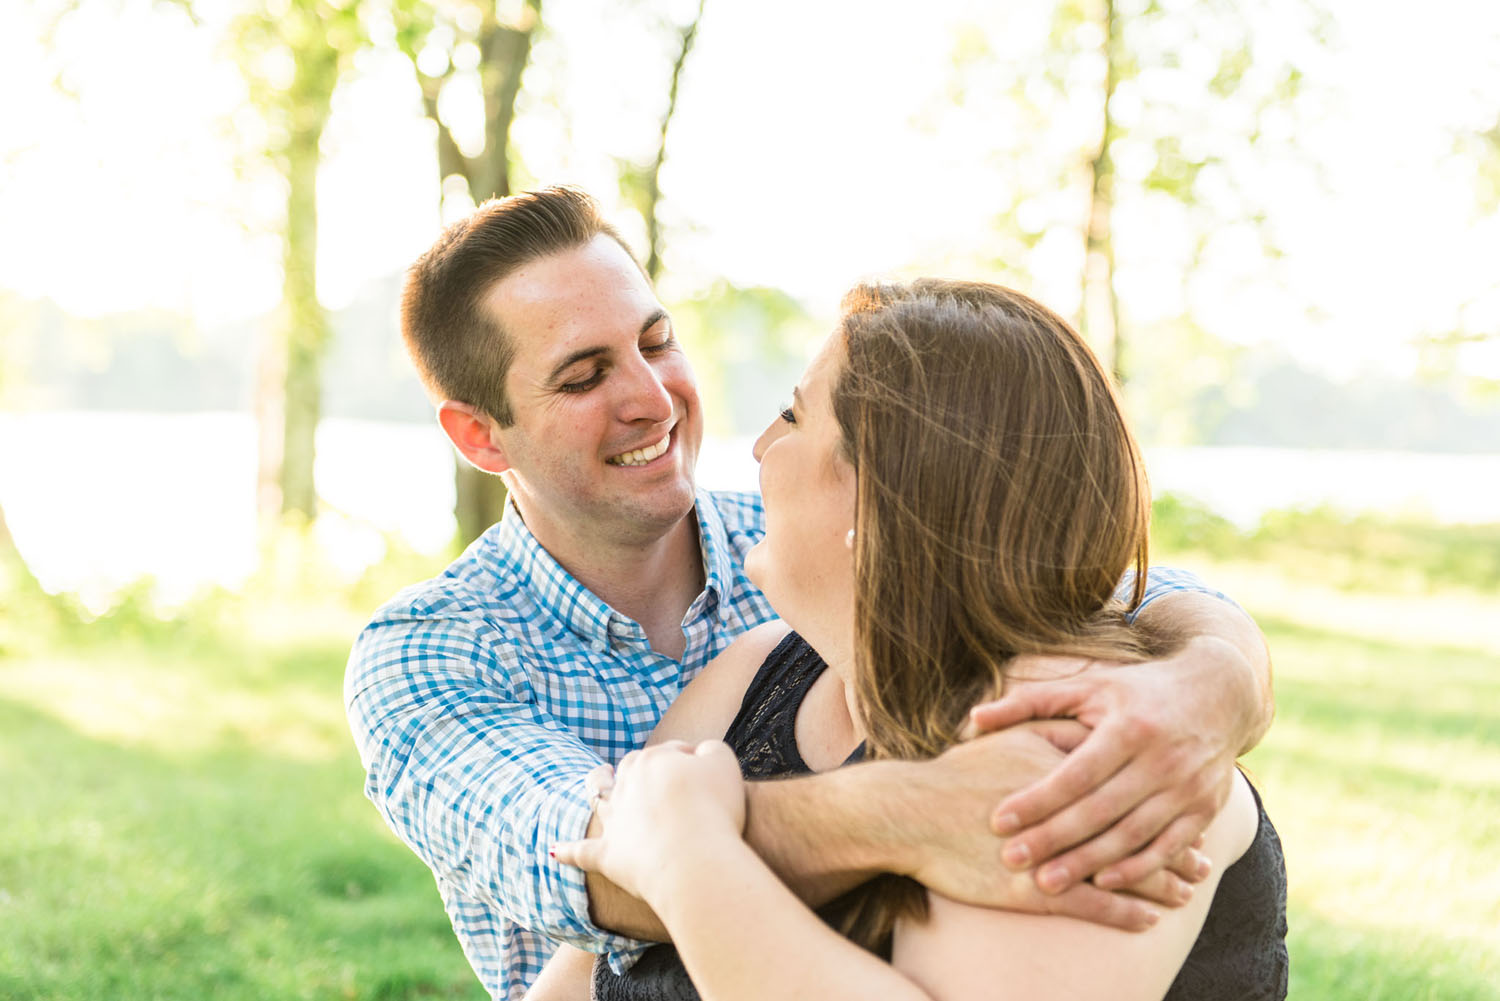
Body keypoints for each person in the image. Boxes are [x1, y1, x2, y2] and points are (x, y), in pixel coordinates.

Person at [344, 187, 1275, 1001]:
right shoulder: (433, 653)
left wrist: (1209, 678)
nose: (654, 400)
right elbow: (583, 857)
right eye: (585, 376)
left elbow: (1078, 579)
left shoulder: (809, 544)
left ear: (886, 498)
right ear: (480, 436)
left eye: (658, 342)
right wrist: (917, 811)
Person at [549, 279, 1288, 1001]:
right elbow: (577, 976)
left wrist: (688, 855)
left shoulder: (1086, 755)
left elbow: (661, 839)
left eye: (793, 416)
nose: (761, 448)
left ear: (878, 502)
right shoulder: (762, 671)